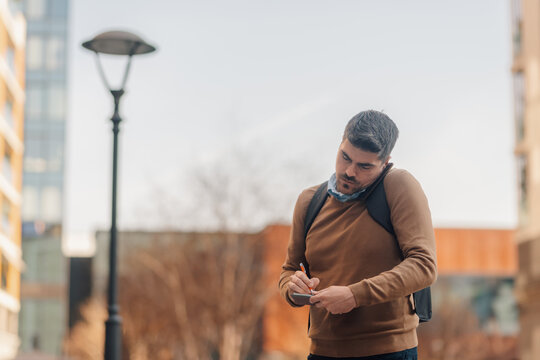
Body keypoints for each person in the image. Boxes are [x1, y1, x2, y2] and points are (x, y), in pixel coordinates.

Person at [279, 110, 437, 360]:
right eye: (345, 157)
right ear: (340, 145)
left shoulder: (398, 186)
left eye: (364, 166)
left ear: (385, 163)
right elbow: (288, 270)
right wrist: (293, 286)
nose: (350, 171)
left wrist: (355, 295)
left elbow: (424, 265)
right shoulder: (309, 201)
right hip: (321, 352)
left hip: (388, 352)